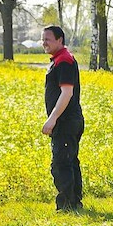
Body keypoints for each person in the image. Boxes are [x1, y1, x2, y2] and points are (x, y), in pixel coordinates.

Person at [41, 25, 84, 211]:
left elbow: (66, 93)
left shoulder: (64, 61)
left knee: (61, 163)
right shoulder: (60, 60)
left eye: (48, 39)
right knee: (70, 161)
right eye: (43, 39)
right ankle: (74, 203)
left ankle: (67, 205)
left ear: (60, 40)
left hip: (65, 121)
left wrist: (52, 119)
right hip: (68, 121)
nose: (44, 43)